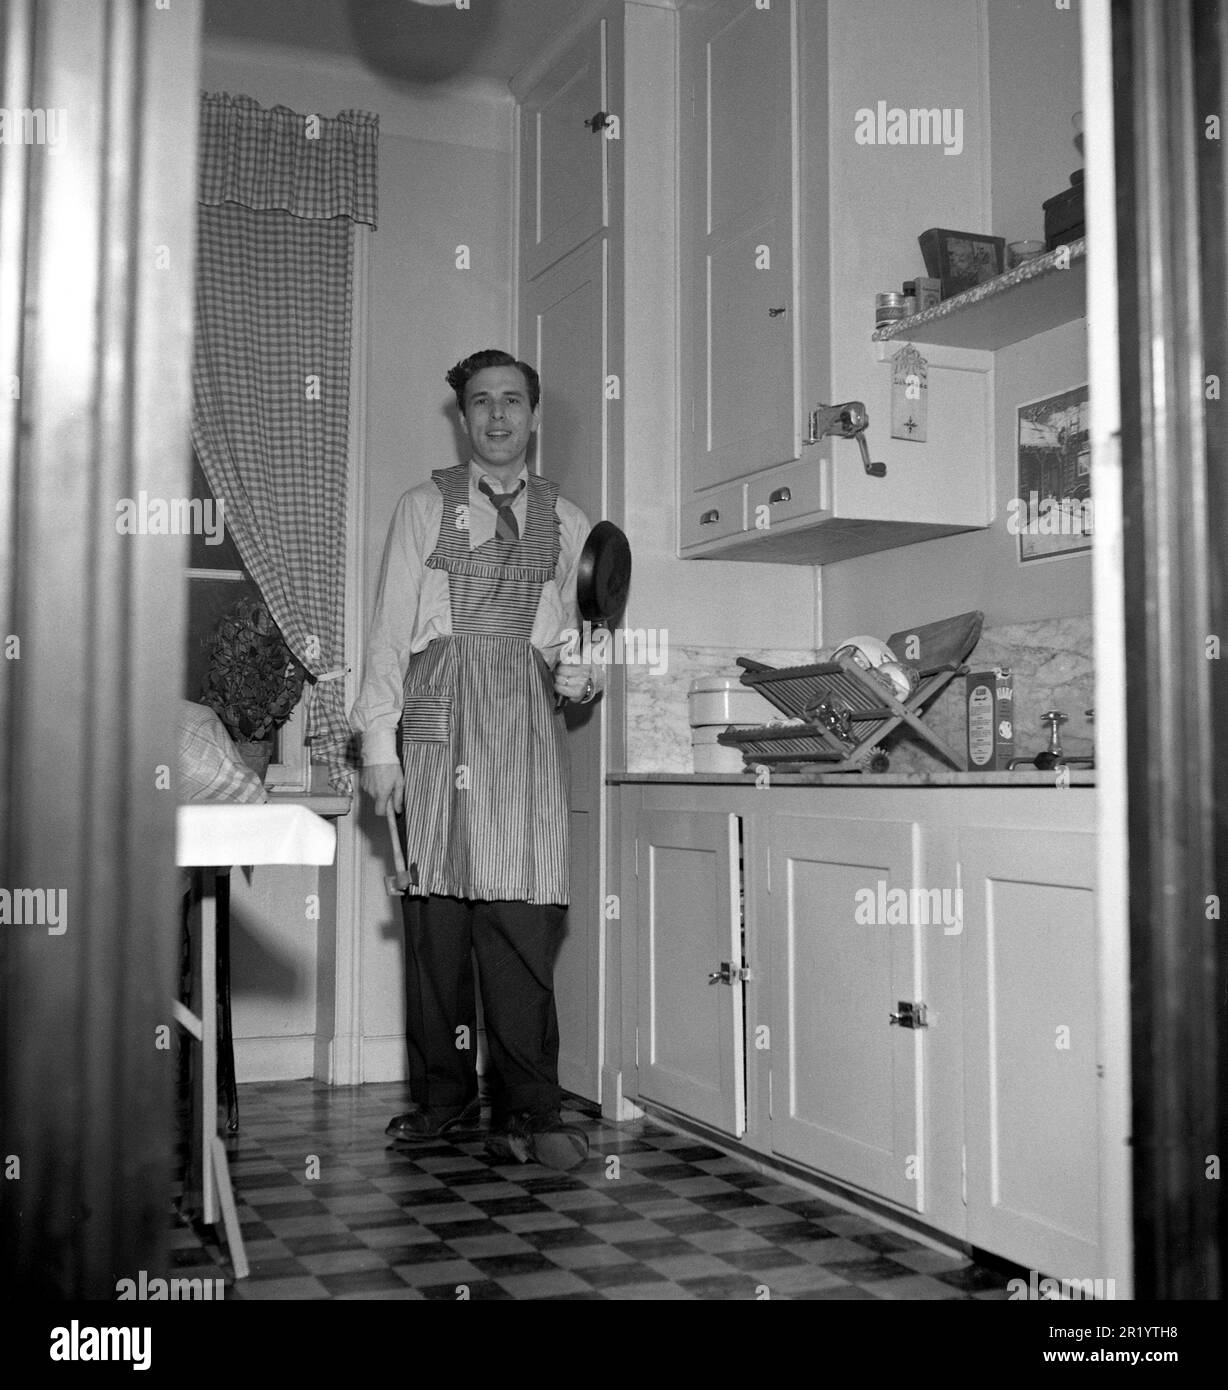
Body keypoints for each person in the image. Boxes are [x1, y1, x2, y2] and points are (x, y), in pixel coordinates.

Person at [351, 348, 600, 1171]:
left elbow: (578, 648)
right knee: (437, 919)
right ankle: (444, 1100)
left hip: (524, 723)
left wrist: (582, 675)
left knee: (525, 913)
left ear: (534, 415)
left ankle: (530, 1107)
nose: (497, 416)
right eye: (482, 402)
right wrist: (379, 743)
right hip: (434, 718)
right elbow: (388, 631)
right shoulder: (423, 507)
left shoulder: (571, 521)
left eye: (513, 401)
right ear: (463, 417)